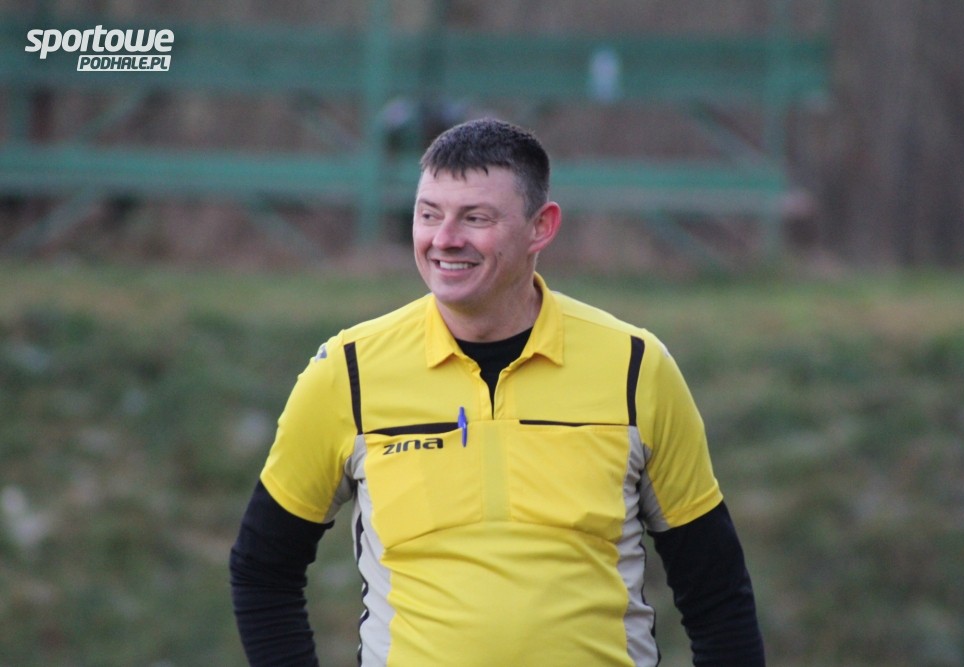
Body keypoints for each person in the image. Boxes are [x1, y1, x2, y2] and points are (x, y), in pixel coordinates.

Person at [230, 118, 765, 666]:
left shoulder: (636, 367)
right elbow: (262, 571)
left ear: (541, 227)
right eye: (428, 214)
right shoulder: (347, 371)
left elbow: (717, 592)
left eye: (475, 218)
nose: (444, 239)